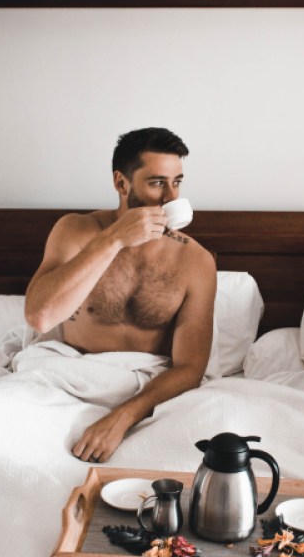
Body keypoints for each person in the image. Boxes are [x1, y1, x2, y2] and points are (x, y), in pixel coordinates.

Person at [25, 127, 217, 465]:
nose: (171, 197)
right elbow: (40, 316)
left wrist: (123, 417)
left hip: (149, 395)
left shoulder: (196, 261)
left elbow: (190, 368)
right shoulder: (75, 231)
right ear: (121, 183)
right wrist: (113, 239)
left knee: (212, 443)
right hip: (69, 383)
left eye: (178, 182)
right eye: (157, 183)